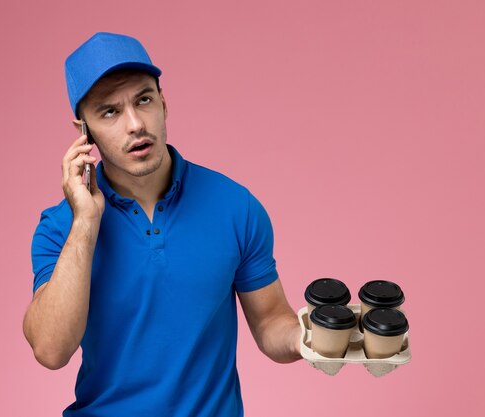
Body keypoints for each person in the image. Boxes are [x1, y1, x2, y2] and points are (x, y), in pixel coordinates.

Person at [23, 32, 302, 416]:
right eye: (110, 112)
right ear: (83, 132)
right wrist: (86, 222)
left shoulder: (235, 206)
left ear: (163, 103)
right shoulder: (60, 228)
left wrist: (312, 338)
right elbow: (50, 350)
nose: (136, 124)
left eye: (144, 100)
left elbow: (272, 320)